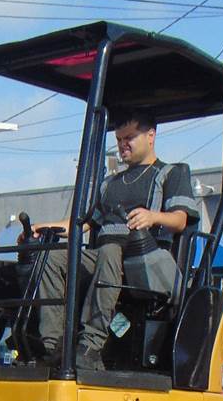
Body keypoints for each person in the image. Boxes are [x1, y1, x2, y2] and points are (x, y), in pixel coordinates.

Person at [32, 111, 200, 371]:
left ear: (151, 136)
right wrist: (42, 227)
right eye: (119, 139)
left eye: (129, 137)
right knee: (52, 257)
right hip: (106, 260)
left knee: (110, 250)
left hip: (148, 261)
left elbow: (179, 220)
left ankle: (91, 344)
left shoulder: (170, 173)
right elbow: (83, 224)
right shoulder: (110, 183)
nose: (123, 144)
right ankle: (54, 345)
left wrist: (153, 216)